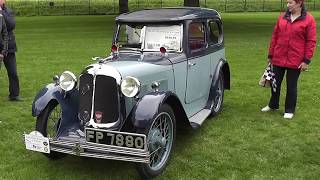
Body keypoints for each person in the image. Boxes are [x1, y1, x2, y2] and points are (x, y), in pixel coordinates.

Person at [261, 0, 317, 119]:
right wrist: (271, 55)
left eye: (290, 2)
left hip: (296, 59)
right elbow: (275, 36)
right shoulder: (282, 17)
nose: (287, 5)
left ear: (299, 3)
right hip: (278, 57)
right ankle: (273, 105)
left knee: (291, 86)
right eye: (287, 2)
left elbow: (311, 41)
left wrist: (306, 61)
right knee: (275, 83)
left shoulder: (309, 20)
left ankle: (289, 110)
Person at [0, 0, 20, 101]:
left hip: (9, 46)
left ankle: (14, 94)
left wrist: (1, 13)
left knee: (13, 72)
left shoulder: (7, 11)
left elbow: (11, 25)